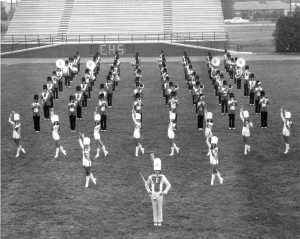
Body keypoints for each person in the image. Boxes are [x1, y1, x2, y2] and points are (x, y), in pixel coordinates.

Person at [145, 158, 171, 227]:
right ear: (154, 170)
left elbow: (168, 185)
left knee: (159, 208)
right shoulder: (150, 177)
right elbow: (146, 184)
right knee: (154, 208)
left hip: (160, 195)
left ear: (160, 170)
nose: (157, 172)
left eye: (158, 170)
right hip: (153, 195)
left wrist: (164, 192)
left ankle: (159, 221)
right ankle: (155, 221)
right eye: (156, 170)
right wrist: (149, 191)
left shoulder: (163, 176)